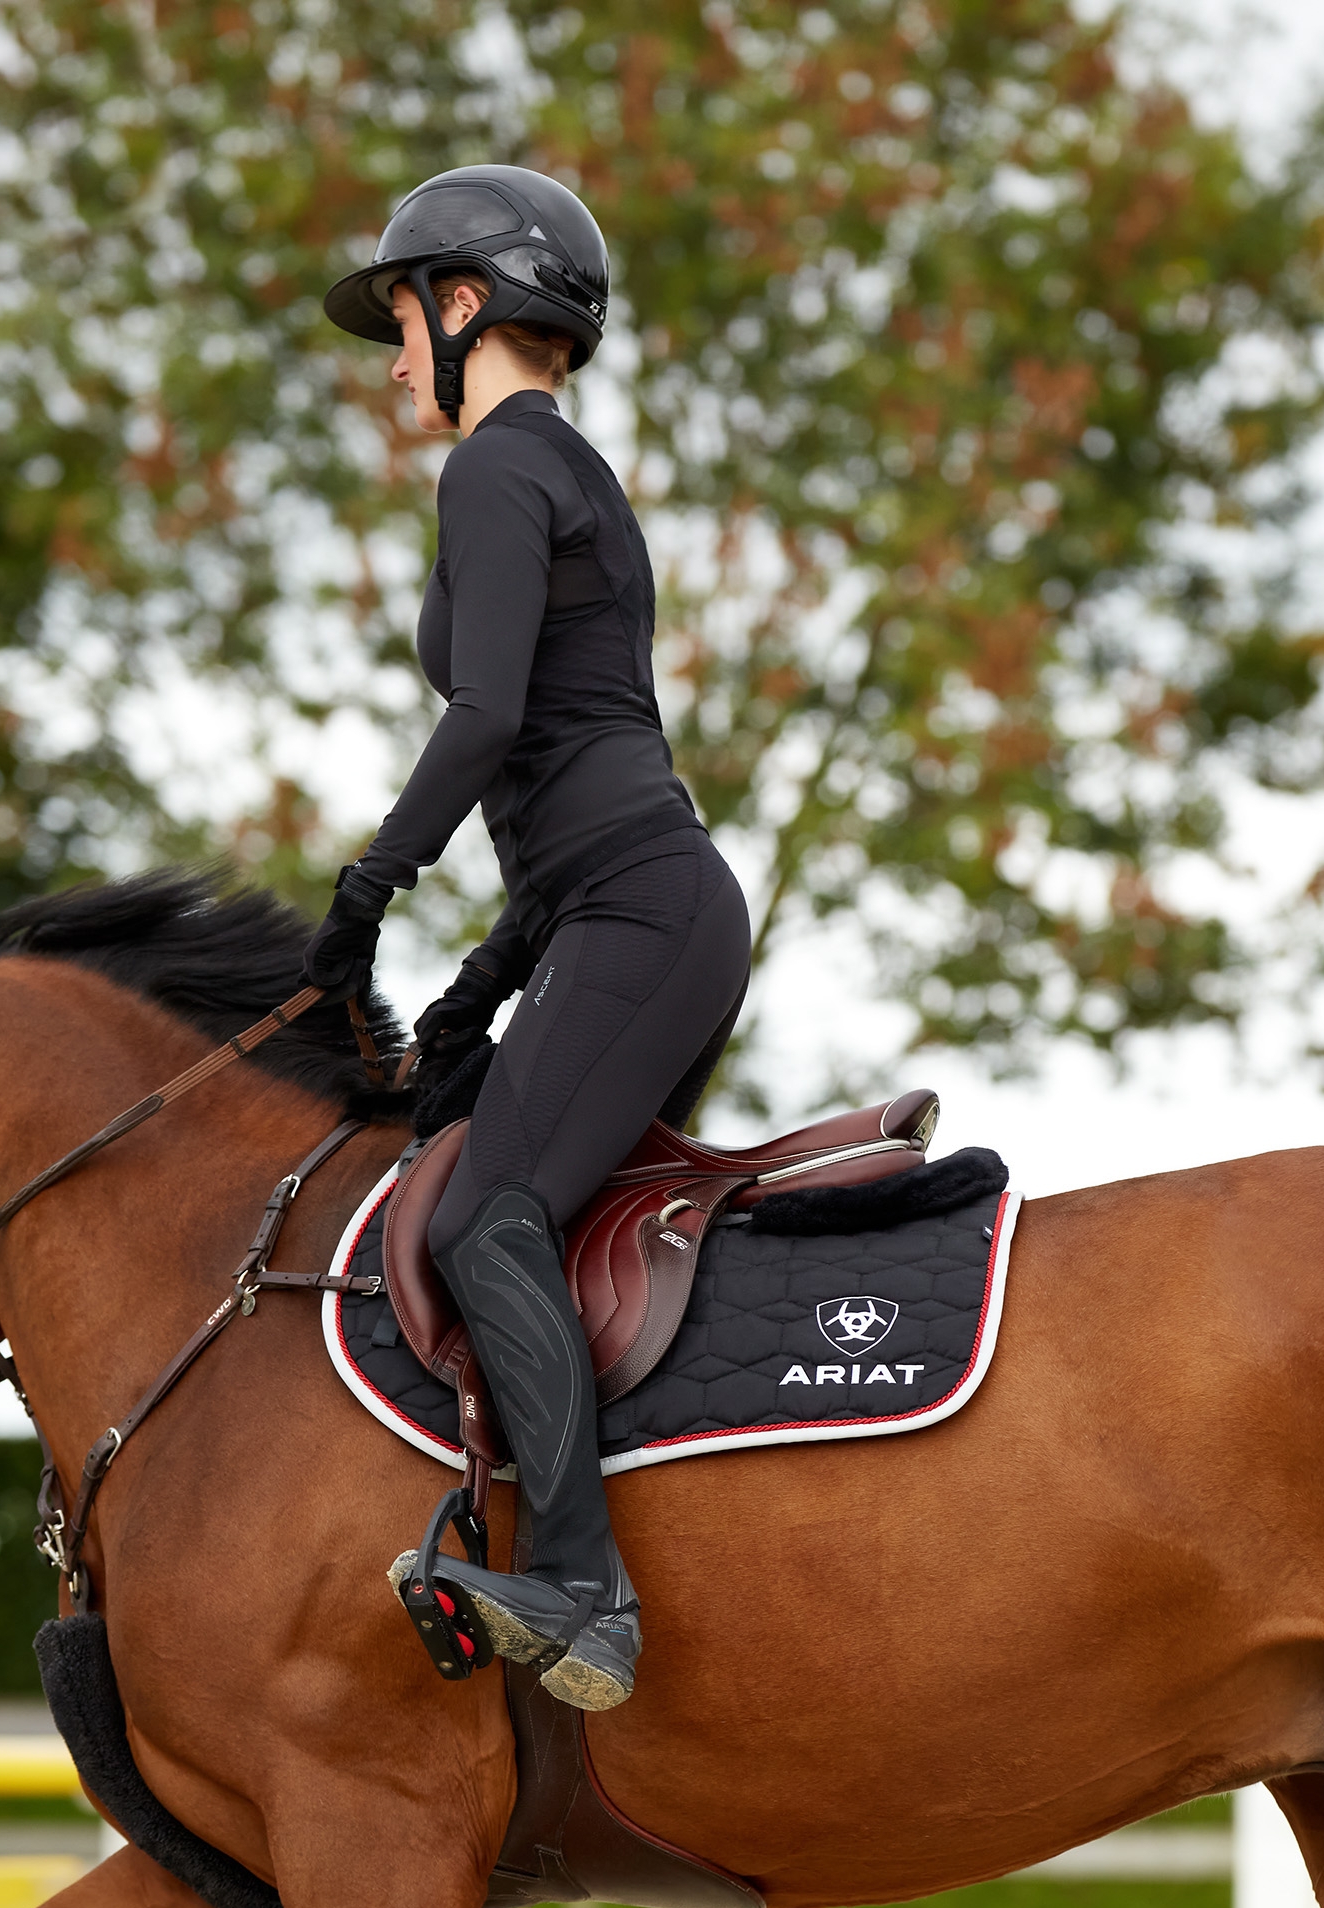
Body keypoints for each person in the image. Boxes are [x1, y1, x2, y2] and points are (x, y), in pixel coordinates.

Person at [304, 166, 751, 1711]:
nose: (392, 360)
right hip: (622, 904)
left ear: (465, 304)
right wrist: (474, 994)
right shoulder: (571, 475)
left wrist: (368, 888)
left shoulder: (496, 470)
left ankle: (584, 1592)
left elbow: (493, 723)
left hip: (635, 904)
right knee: (528, 1209)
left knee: (484, 1220)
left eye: (400, 322)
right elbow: (570, 772)